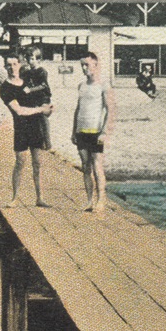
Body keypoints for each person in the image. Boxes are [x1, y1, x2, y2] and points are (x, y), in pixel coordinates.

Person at [0, 54, 53, 207]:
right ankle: (15, 198)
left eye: (14, 63)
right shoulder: (5, 88)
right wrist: (40, 109)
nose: (12, 67)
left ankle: (40, 198)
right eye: (8, 64)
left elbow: (44, 104)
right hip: (21, 127)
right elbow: (19, 111)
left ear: (20, 64)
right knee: (20, 162)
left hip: (36, 126)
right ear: (5, 67)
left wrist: (48, 109)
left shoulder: (29, 81)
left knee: (37, 163)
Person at [71, 52, 117, 214]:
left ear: (96, 65)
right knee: (85, 167)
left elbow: (111, 110)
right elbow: (78, 109)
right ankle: (89, 200)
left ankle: (101, 201)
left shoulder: (104, 85)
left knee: (97, 166)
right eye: (82, 65)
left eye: (87, 65)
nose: (84, 68)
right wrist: (73, 131)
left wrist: (104, 132)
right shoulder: (81, 86)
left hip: (96, 131)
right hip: (81, 131)